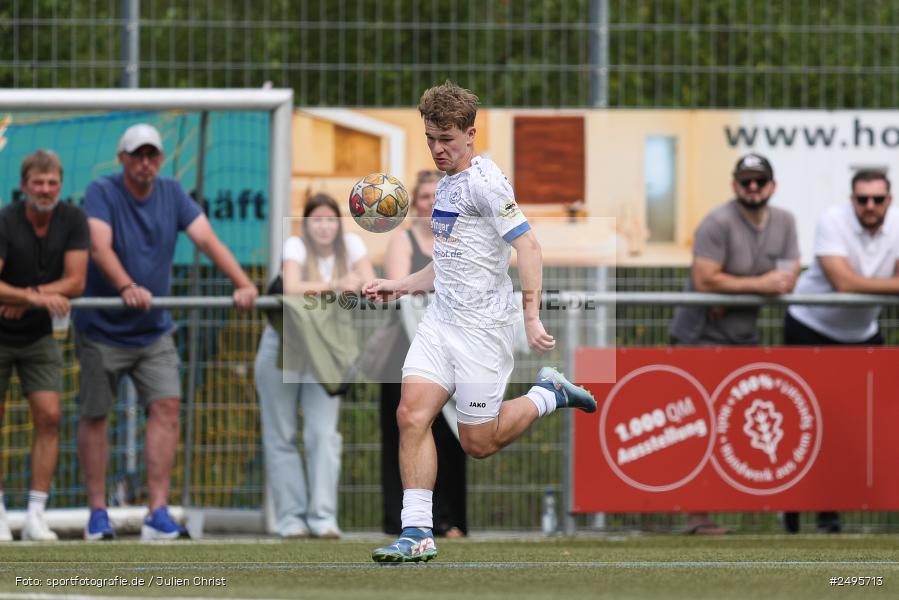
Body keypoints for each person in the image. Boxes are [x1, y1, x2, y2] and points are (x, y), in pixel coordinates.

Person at [363, 82, 596, 563]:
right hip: (440, 324)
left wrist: (530, 316)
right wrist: (400, 285)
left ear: (470, 134)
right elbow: (448, 263)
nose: (438, 149)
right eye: (431, 138)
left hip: (482, 331)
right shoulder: (447, 183)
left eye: (447, 139)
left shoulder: (487, 184)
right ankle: (417, 531)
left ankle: (548, 394)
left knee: (478, 442)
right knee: (410, 415)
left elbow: (529, 247)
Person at [74, 123, 258, 541]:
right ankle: (97, 513)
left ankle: (157, 512)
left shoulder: (172, 191)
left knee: (167, 406)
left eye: (151, 155)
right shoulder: (102, 190)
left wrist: (244, 283)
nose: (145, 163)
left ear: (160, 158)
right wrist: (126, 286)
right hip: (101, 328)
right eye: (137, 155)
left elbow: (207, 239)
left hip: (153, 329)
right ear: (122, 159)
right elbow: (98, 246)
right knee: (95, 414)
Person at [669, 153, 799, 535]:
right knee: (697, 427)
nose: (753, 187)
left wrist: (735, 288)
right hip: (699, 336)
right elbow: (706, 279)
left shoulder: (786, 221)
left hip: (743, 338)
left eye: (759, 180)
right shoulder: (718, 222)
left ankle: (738, 506)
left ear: (772, 186)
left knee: (738, 423)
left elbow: (788, 278)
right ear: (734, 185)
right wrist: (760, 285)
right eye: (746, 181)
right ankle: (696, 517)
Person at [782, 169, 899, 534]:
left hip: (862, 334)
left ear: (889, 200)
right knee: (802, 422)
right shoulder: (832, 220)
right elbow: (843, 282)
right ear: (852, 200)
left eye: (877, 199)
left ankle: (829, 512)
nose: (869, 206)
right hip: (809, 327)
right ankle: (790, 507)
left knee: (853, 428)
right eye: (862, 199)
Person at [255, 193, 374, 539]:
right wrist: (336, 285)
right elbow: (292, 287)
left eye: (329, 219)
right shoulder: (295, 246)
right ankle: (291, 520)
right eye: (316, 220)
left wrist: (353, 284)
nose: (323, 227)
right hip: (285, 345)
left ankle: (323, 518)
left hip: (326, 351)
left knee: (323, 435)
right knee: (281, 435)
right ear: (305, 224)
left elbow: (367, 282)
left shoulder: (352, 246)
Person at [0, 150, 88, 542]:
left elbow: (76, 282)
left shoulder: (73, 218)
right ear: (24, 186)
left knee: (50, 415)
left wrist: (26, 297)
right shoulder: (5, 220)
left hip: (39, 335)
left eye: (52, 182)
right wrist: (33, 298)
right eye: (38, 182)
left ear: (61, 185)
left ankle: (36, 514)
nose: (46, 189)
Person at [379, 170, 468, 539]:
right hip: (406, 347)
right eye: (424, 197)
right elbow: (400, 290)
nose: (431, 202)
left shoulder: (460, 238)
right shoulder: (402, 241)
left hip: (453, 345)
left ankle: (449, 520)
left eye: (436, 196)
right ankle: (405, 521)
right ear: (414, 204)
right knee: (407, 428)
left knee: (454, 434)